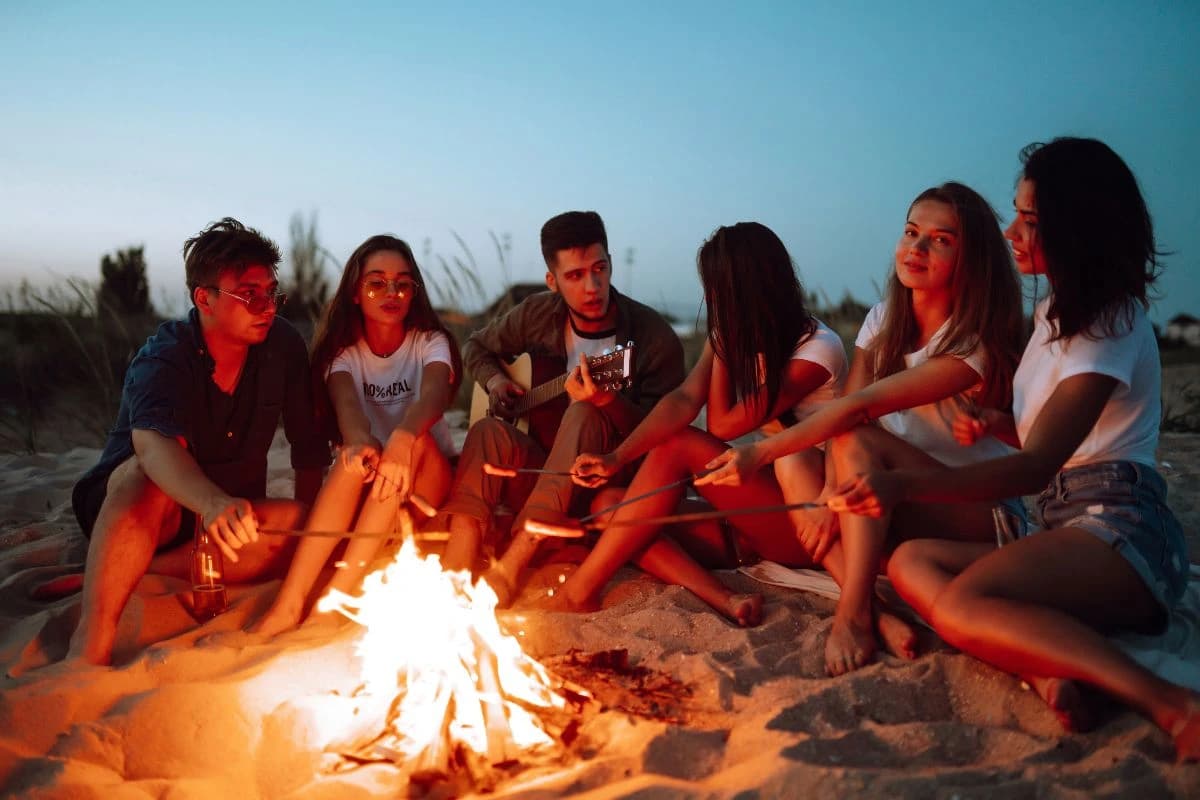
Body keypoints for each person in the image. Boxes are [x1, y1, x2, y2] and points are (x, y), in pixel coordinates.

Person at [835, 138, 1198, 760]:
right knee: (910, 562)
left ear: (1075, 227)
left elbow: (1037, 465)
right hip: (1057, 521)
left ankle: (1168, 703)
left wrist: (902, 485)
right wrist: (996, 424)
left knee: (962, 604)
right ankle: (1047, 666)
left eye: (1029, 220)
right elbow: (1042, 440)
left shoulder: (1109, 320)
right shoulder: (1055, 313)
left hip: (1121, 527)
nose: (1011, 232)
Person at [700, 183, 1024, 673]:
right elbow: (844, 418)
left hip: (976, 512)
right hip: (900, 495)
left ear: (972, 259)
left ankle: (852, 613)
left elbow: (859, 409)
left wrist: (763, 456)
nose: (917, 247)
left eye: (940, 240)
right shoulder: (883, 319)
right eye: (911, 232)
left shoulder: (972, 345)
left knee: (841, 440)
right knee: (797, 458)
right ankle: (877, 610)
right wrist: (826, 491)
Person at [65, 218, 330, 666]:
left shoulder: (282, 345)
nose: (267, 307)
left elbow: (307, 445)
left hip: (222, 518)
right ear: (203, 298)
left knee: (298, 526)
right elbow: (152, 446)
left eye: (272, 293)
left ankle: (133, 568)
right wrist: (210, 502)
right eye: (249, 295)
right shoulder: (165, 356)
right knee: (147, 475)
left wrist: (301, 544)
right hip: (144, 508)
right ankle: (90, 641)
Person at [554, 221, 847, 625]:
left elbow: (722, 427)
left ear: (752, 285)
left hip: (808, 518)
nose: (710, 298)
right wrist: (616, 458)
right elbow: (685, 399)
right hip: (753, 511)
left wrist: (723, 341)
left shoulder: (817, 350)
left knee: (679, 445)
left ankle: (578, 592)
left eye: (718, 288)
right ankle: (727, 599)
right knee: (609, 507)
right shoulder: (743, 335)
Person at [440, 210, 686, 602]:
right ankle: (458, 562)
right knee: (487, 432)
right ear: (552, 281)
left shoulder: (653, 337)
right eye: (575, 275)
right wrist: (497, 381)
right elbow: (476, 346)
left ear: (610, 263)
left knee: (585, 411)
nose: (592, 286)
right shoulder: (537, 314)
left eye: (599, 269)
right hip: (538, 474)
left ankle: (513, 564)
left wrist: (607, 402)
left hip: (606, 487)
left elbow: (667, 438)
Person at [251, 235, 461, 636]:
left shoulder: (430, 342)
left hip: (426, 483)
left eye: (402, 283)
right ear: (354, 292)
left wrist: (402, 437)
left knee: (415, 440)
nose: (391, 292)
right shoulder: (343, 355)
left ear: (414, 291)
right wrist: (361, 444)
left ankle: (335, 600)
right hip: (373, 486)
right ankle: (289, 603)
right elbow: (348, 410)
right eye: (376, 283)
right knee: (355, 456)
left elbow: (434, 395)